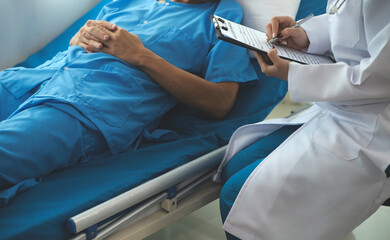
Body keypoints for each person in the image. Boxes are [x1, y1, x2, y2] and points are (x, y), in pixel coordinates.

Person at [0, 0, 258, 206]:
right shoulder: (126, 2)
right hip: (29, 80)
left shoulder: (227, 17)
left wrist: (140, 55)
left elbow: (221, 102)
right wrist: (79, 40)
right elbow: (83, 43)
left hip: (84, 107)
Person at [217, 0, 390, 239]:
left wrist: (294, 74)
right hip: (341, 108)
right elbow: (345, 22)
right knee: (234, 166)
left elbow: (380, 79)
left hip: (375, 129)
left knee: (237, 196)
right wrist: (306, 35)